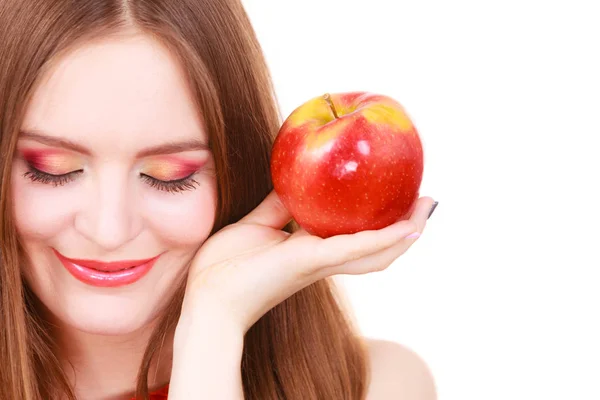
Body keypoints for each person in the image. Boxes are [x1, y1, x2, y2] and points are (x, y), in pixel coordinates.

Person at [0, 1, 438, 399]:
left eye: (170, 177)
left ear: (238, 169)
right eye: (51, 168)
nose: (109, 230)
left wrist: (213, 329)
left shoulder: (377, 385)